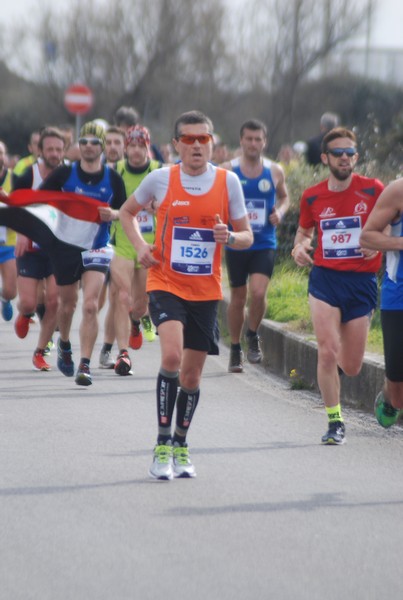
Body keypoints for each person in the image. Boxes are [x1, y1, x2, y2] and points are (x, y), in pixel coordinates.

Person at [119, 110, 253, 479]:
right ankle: (161, 444)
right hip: (165, 282)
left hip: (206, 290)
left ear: (213, 143)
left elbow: (247, 236)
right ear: (176, 144)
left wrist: (232, 238)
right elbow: (127, 213)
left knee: (192, 377)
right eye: (189, 140)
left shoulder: (229, 183)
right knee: (173, 356)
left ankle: (180, 443)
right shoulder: (160, 179)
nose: (196, 146)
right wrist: (140, 246)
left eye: (203, 139)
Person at [292, 126, 383, 445]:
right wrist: (299, 248)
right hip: (325, 280)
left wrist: (379, 244)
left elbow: (389, 225)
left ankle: (336, 379)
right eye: (338, 153)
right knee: (327, 351)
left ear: (356, 157)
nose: (344, 158)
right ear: (325, 158)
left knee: (353, 365)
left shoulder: (373, 189)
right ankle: (335, 421)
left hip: (361, 282)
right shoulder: (312, 195)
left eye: (350, 153)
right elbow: (303, 233)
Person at [39, 121, 127, 386]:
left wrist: (113, 214)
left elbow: (126, 212)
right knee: (68, 304)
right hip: (65, 245)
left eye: (94, 142)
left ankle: (85, 364)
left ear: (102, 147)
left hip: (97, 246)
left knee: (90, 305)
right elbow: (37, 200)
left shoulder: (113, 179)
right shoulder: (64, 174)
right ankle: (64, 343)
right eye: (84, 141)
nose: (88, 146)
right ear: (79, 145)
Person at [221, 119, 290, 373]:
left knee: (259, 293)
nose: (253, 143)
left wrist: (280, 212)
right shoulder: (228, 170)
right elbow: (216, 200)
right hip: (237, 242)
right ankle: (236, 348)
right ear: (241, 141)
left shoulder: (274, 171)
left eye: (257, 139)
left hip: (264, 242)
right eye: (248, 139)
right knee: (238, 298)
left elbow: (284, 196)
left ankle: (252, 334)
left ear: (265, 142)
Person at [100, 124, 162, 376]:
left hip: (149, 245)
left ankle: (137, 321)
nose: (136, 151)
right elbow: (108, 204)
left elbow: (172, 204)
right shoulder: (115, 171)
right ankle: (122, 353)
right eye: (132, 146)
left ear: (148, 148)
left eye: (141, 146)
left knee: (140, 303)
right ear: (126, 148)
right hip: (122, 243)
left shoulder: (159, 172)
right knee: (120, 296)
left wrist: (158, 207)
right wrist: (117, 213)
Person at [13, 127, 66, 371]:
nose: (54, 153)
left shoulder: (70, 175)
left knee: (55, 301)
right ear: (40, 151)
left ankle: (40, 351)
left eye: (58, 149)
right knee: (28, 303)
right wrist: (23, 233)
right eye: (50, 149)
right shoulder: (26, 176)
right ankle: (24, 314)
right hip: (32, 248)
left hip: (57, 248)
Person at [360, 179, 403, 428]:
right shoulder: (397, 191)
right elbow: (367, 236)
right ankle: (390, 393)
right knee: (398, 395)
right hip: (398, 295)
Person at [0, 140, 17, 322]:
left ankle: (5, 298)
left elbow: (22, 205)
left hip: (9, 241)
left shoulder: (14, 178)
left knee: (12, 291)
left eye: (0, 152)